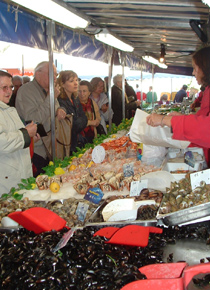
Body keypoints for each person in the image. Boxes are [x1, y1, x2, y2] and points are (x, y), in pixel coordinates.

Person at [146, 46, 210, 167]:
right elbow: (202, 118)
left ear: (205, 69)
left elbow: (206, 128)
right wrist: (182, 118)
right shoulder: (207, 90)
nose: (193, 73)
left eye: (195, 68)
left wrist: (166, 120)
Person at [16, 61, 66, 176]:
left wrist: (60, 109)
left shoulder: (49, 90)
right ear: (38, 74)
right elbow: (33, 119)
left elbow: (56, 107)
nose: (55, 78)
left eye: (56, 74)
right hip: (38, 150)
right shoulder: (26, 91)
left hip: (52, 146)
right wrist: (50, 99)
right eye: (51, 74)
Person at [0, 70, 38, 195]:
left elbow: (17, 138)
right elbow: (2, 141)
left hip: (19, 174)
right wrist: (26, 134)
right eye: (4, 88)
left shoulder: (9, 109)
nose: (9, 91)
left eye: (10, 87)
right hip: (6, 180)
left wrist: (31, 137)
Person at [57, 70, 88, 153]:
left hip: (76, 141)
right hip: (67, 144)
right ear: (62, 84)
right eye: (71, 81)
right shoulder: (60, 101)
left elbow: (85, 118)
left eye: (76, 80)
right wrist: (81, 121)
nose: (75, 83)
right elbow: (72, 125)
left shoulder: (75, 98)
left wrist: (81, 121)